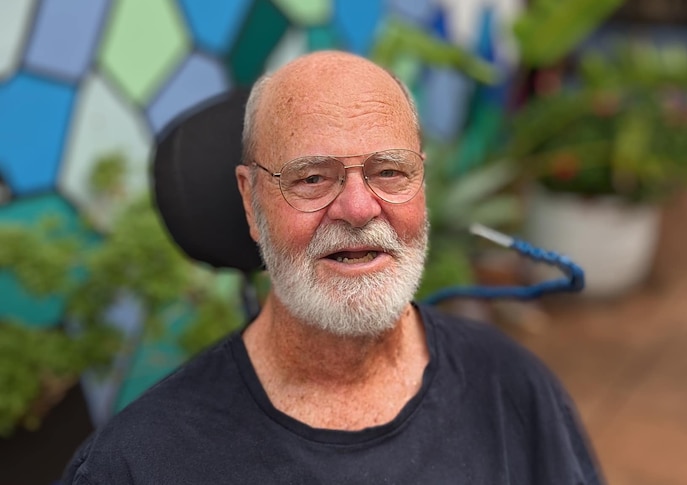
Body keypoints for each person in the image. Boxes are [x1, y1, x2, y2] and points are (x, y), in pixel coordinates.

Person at [63, 50, 603, 484]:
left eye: (389, 171)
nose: (359, 208)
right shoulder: (139, 463)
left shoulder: (513, 388)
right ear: (252, 203)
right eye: (312, 178)